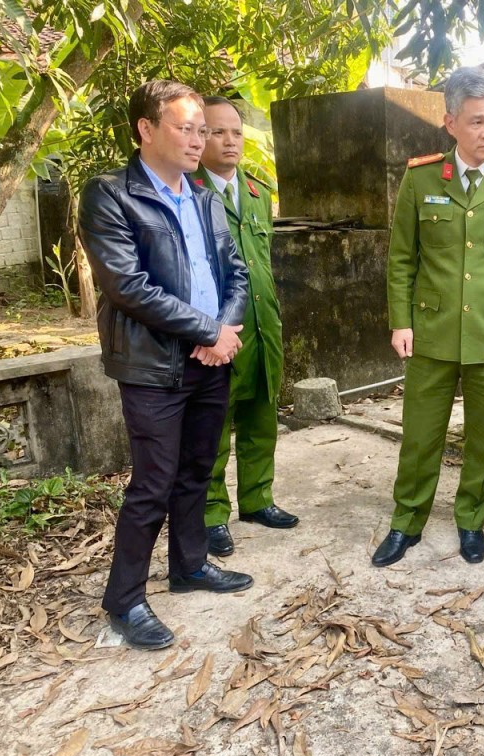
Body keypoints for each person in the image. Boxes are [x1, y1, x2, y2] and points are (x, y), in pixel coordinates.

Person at [79, 81, 254, 650]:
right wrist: (208, 332)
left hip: (211, 359)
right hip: (154, 365)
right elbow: (127, 286)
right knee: (152, 483)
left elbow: (237, 273)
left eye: (202, 130)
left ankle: (190, 565)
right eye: (186, 128)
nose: (199, 140)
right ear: (146, 129)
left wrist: (223, 332)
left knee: (198, 469)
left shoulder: (204, 198)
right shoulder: (111, 195)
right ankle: (124, 599)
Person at [372, 66, 484, 567]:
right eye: (477, 121)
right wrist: (401, 321)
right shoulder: (422, 177)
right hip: (432, 330)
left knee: (483, 439)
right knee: (420, 436)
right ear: (450, 122)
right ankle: (407, 522)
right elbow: (402, 259)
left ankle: (471, 520)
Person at [192, 96, 297, 559]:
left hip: (263, 324)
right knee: (213, 427)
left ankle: (257, 499)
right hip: (218, 330)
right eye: (217, 131)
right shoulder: (189, 191)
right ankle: (212, 514)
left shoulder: (257, 192)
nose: (229, 141)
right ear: (200, 137)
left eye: (236, 132)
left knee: (261, 416)